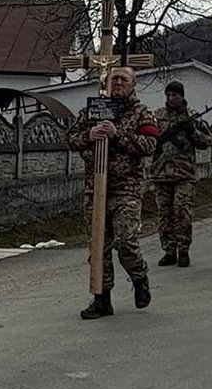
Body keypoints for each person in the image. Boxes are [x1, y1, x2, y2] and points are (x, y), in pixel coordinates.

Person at [66, 67, 160, 319]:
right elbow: (71, 138)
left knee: (125, 240)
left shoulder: (142, 113)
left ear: (133, 84)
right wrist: (90, 135)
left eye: (123, 79)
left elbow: (150, 145)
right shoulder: (94, 110)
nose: (118, 82)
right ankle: (101, 298)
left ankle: (139, 277)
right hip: (96, 187)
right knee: (99, 245)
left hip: (127, 188)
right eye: (113, 78)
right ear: (106, 83)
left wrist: (118, 135)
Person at [148, 80, 212, 268]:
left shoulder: (192, 116)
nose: (171, 98)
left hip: (184, 173)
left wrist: (191, 131)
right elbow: (149, 138)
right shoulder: (157, 116)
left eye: (174, 95)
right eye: (168, 95)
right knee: (164, 214)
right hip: (161, 173)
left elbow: (206, 141)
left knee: (182, 212)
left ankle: (183, 249)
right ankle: (169, 250)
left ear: (182, 96)